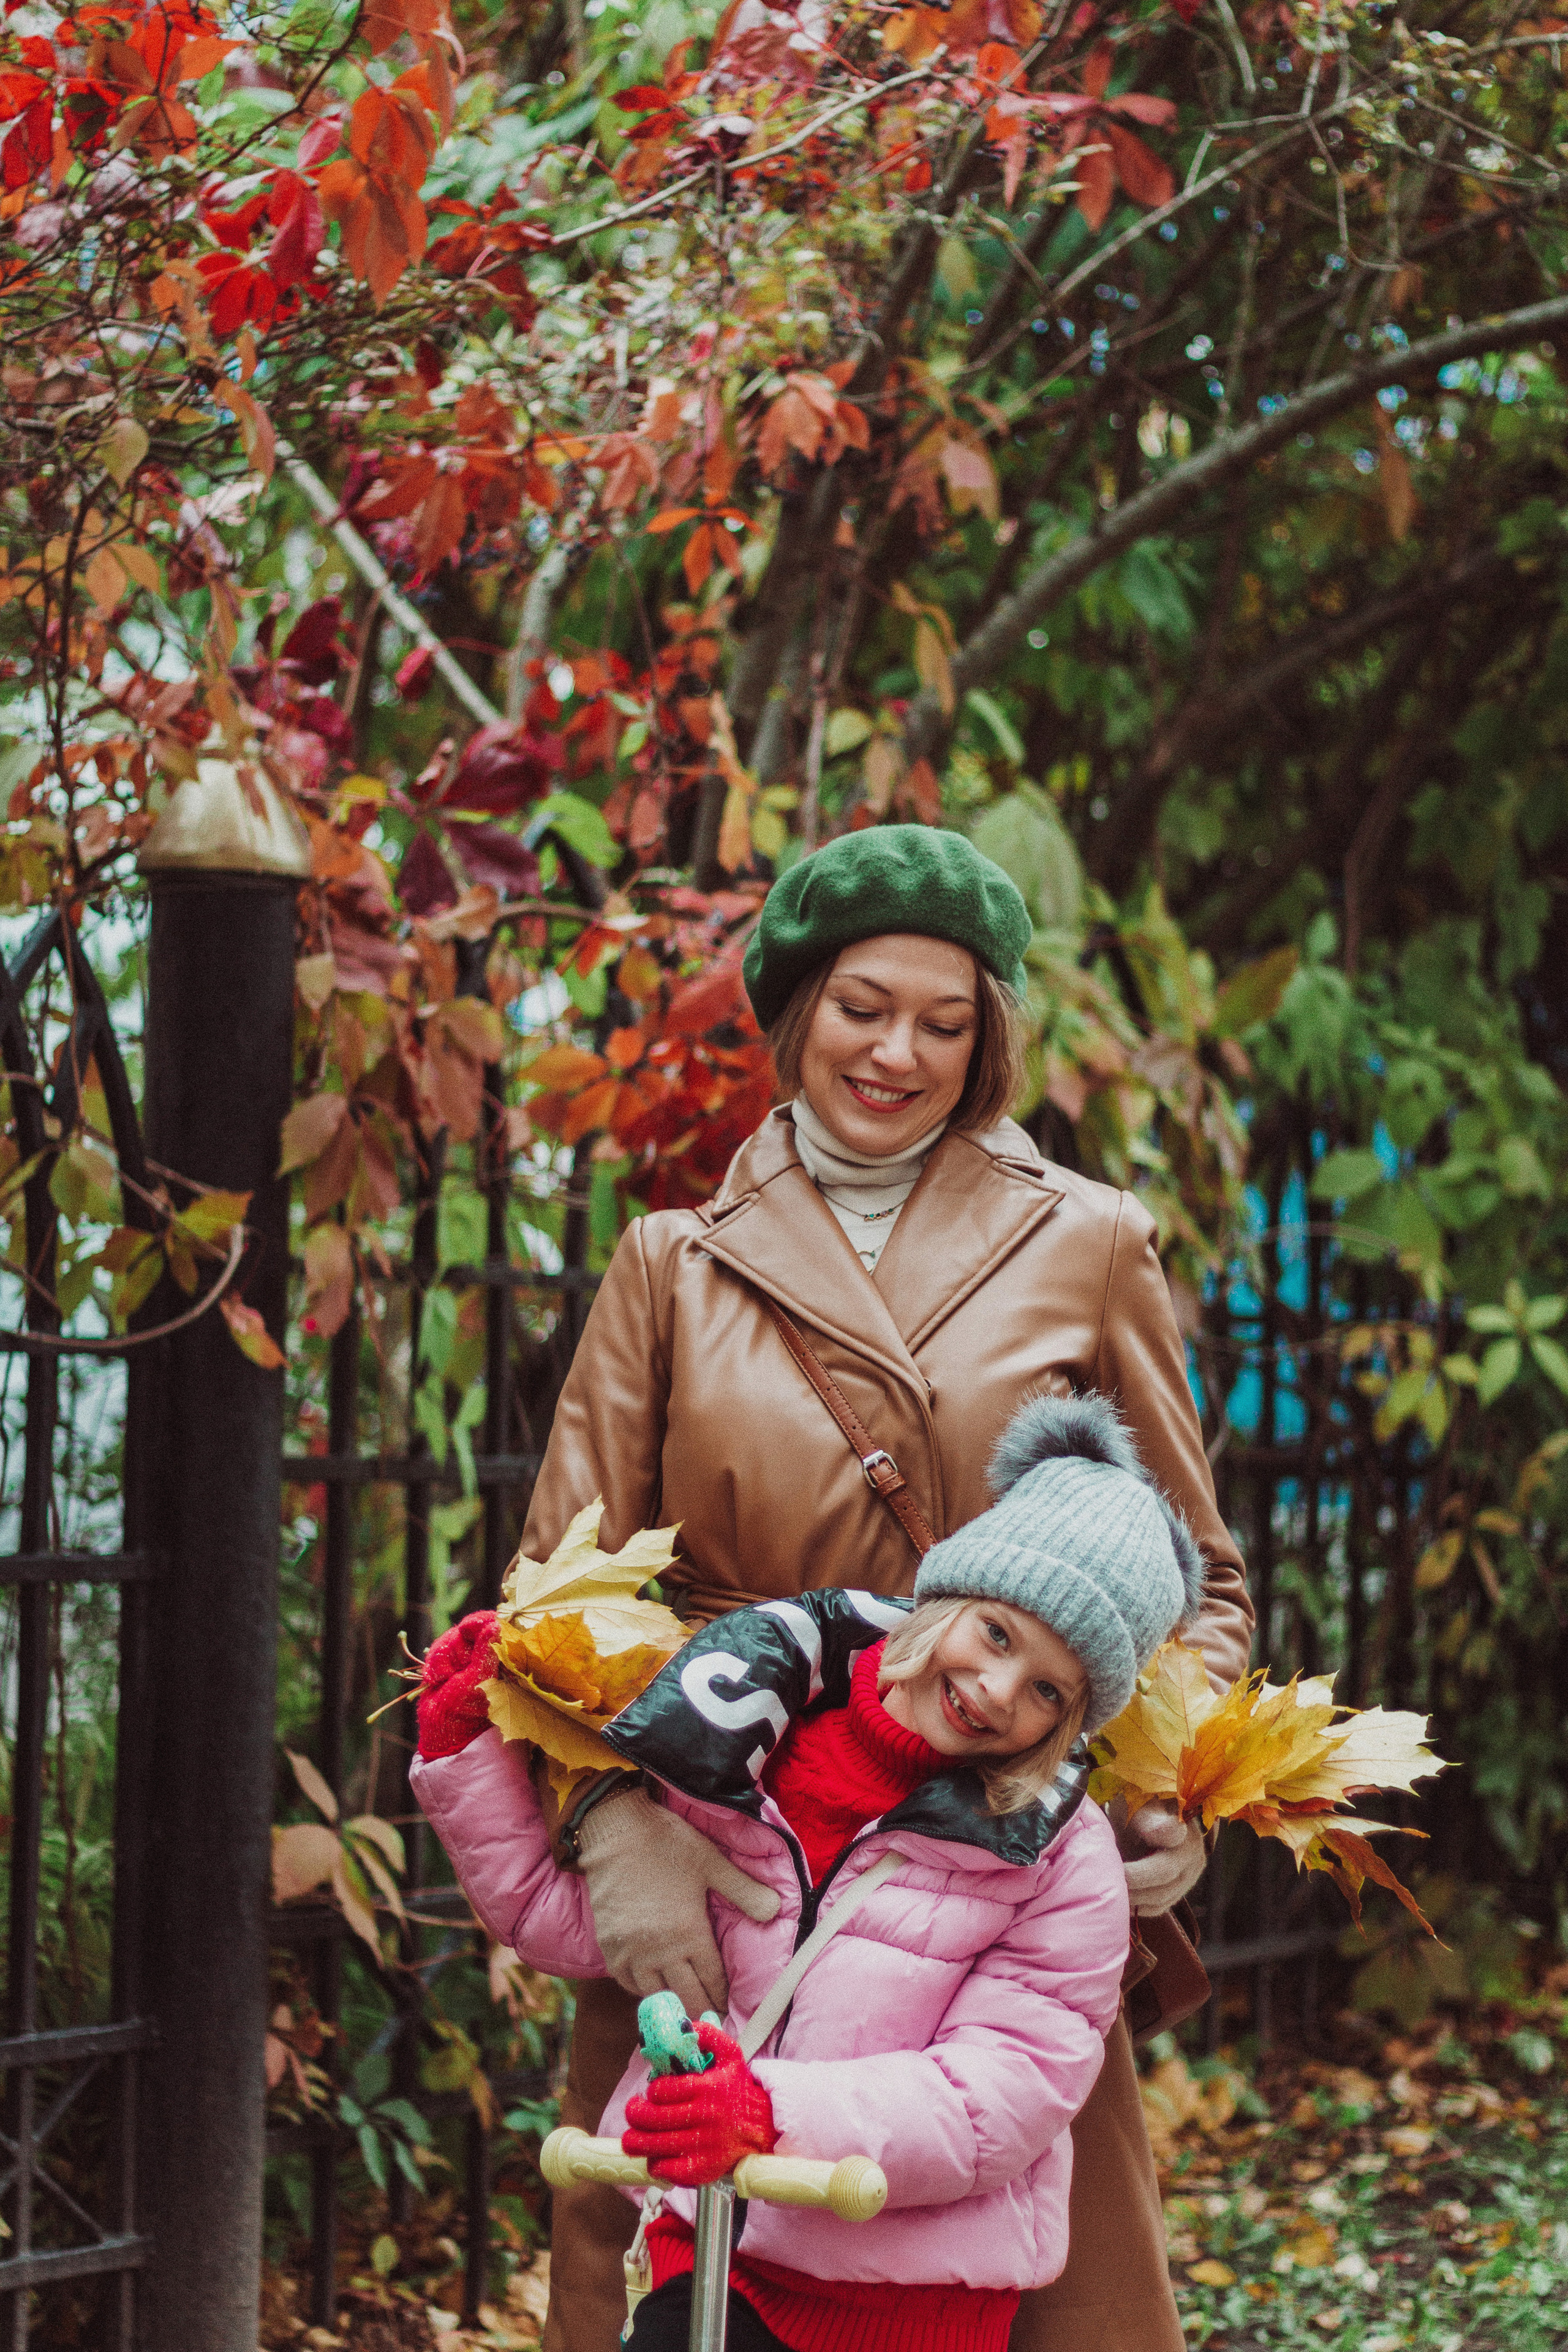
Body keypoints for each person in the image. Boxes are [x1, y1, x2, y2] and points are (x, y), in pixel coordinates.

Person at [422, 824, 1251, 2352]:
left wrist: (1157, 1782)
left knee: (977, 2264)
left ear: (988, 1039)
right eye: (865, 1006)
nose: (898, 1053)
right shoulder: (675, 1264)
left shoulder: (1088, 1242)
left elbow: (1194, 1575)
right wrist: (612, 1832)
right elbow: (547, 1608)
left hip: (978, 1871)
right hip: (721, 1853)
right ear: (797, 1008)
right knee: (686, 2283)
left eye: (946, 1022)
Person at [413, 1395, 1207, 2352]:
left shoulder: (1056, 1858)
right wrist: (470, 1750)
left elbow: (999, 2093)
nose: (998, 1690)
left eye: (1049, 1689)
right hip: (709, 2247)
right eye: (997, 1634)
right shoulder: (750, 1731)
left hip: (902, 2298)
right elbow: (568, 1920)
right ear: (950, 1596)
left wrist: (767, 2114)